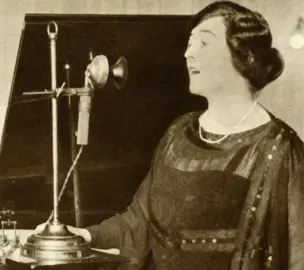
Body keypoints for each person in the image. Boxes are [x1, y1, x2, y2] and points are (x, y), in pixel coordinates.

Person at [38, 1, 304, 270]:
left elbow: (298, 253)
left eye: (204, 43)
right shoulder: (179, 133)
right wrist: (85, 235)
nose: (189, 53)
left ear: (245, 56)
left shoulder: (280, 148)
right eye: (190, 43)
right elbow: (139, 223)